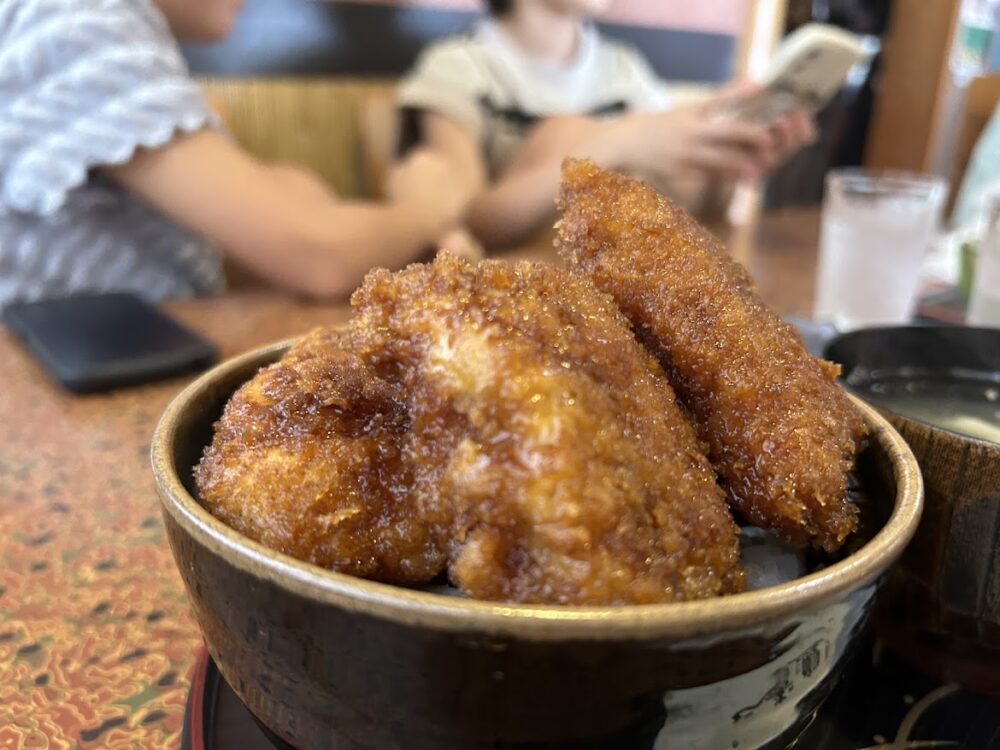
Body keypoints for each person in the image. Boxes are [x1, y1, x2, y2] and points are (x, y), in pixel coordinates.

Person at [0, 0, 473, 309]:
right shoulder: (77, 21)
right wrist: (427, 206)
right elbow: (319, 255)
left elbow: (273, 218)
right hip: (48, 397)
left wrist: (293, 204)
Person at [397, 0, 817, 249]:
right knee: (564, 130)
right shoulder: (457, 67)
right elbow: (469, 222)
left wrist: (735, 163)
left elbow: (690, 214)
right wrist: (614, 143)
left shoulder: (624, 67)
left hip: (623, 288)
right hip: (522, 291)